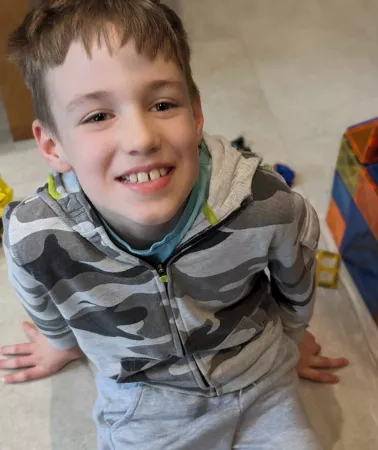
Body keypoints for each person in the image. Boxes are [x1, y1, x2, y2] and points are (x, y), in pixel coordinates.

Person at [0, 1, 348, 449]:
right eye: (98, 116)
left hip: (261, 380)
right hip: (143, 402)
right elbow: (38, 294)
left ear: (196, 115)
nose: (142, 139)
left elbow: (295, 281)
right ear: (52, 144)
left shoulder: (265, 202)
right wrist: (60, 342)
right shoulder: (36, 235)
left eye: (163, 104)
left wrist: (293, 339)